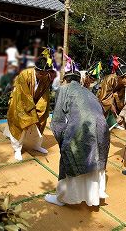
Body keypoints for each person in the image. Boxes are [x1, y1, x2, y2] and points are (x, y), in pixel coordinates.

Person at [45, 69, 110, 207]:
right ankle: (93, 196)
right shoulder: (88, 91)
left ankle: (63, 198)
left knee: (71, 157)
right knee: (94, 160)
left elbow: (58, 120)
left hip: (83, 127)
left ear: (65, 80)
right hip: (102, 127)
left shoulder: (63, 90)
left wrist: (62, 139)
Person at [4, 55, 56, 161]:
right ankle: (17, 149)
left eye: (46, 73)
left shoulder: (46, 77)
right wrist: (31, 111)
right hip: (20, 102)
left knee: (41, 119)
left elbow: (44, 95)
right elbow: (23, 95)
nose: (43, 76)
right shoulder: (24, 75)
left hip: (35, 103)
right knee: (22, 123)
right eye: (41, 73)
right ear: (35, 69)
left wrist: (39, 109)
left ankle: (36, 145)